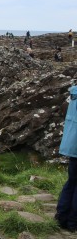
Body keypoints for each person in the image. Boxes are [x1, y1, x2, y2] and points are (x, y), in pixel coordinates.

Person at [56, 84, 77, 231]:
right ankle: (73, 222)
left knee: (72, 182)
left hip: (71, 145)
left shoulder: (73, 94)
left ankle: (61, 217)